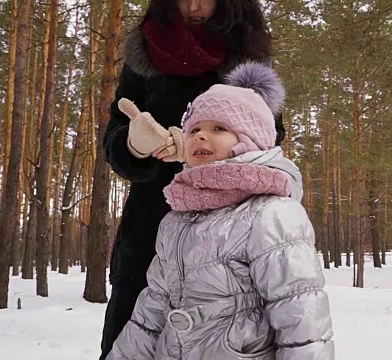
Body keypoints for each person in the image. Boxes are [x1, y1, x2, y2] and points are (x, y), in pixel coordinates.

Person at [106, 62, 334, 359]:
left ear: (249, 141)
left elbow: (301, 319)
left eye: (219, 128)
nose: (200, 136)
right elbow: (149, 315)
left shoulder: (271, 214)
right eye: (194, 129)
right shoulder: (177, 218)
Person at [100, 0, 286, 358]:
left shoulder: (248, 55)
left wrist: (204, 151)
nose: (194, 6)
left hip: (230, 236)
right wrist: (135, 145)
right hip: (150, 231)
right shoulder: (144, 53)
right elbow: (117, 136)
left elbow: (270, 135)